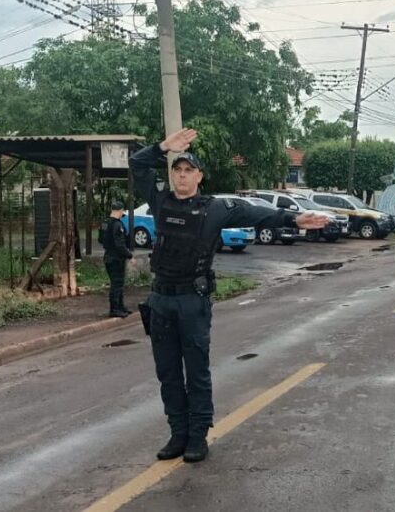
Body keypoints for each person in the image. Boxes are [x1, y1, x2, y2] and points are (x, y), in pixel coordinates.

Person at [130, 128, 329, 463]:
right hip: (161, 301)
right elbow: (137, 165)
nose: (181, 175)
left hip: (192, 301)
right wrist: (163, 147)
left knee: (196, 371)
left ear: (199, 176)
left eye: (188, 170)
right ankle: (177, 433)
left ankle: (197, 436)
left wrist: (296, 217)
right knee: (167, 373)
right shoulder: (160, 201)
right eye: (177, 170)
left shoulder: (214, 209)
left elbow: (257, 212)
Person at [99, 200, 134, 317]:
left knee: (117, 283)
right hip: (116, 258)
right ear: (119, 211)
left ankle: (120, 306)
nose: (122, 214)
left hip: (108, 256)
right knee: (117, 284)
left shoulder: (105, 223)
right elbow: (120, 244)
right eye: (122, 212)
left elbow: (100, 239)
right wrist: (129, 255)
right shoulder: (117, 225)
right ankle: (115, 309)